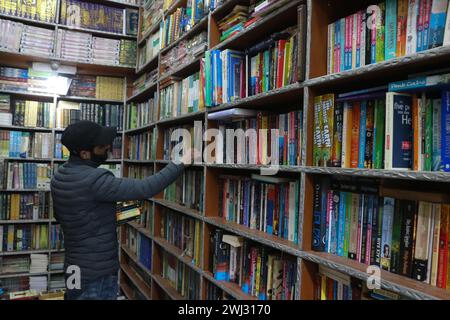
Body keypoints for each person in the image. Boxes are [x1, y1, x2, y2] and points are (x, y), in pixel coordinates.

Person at [50, 121, 190, 300]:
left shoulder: (59, 177)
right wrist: (180, 162)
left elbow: (79, 215)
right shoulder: (94, 179)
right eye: (101, 147)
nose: (108, 147)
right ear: (85, 153)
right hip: (97, 273)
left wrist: (135, 210)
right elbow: (146, 188)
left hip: (73, 268)